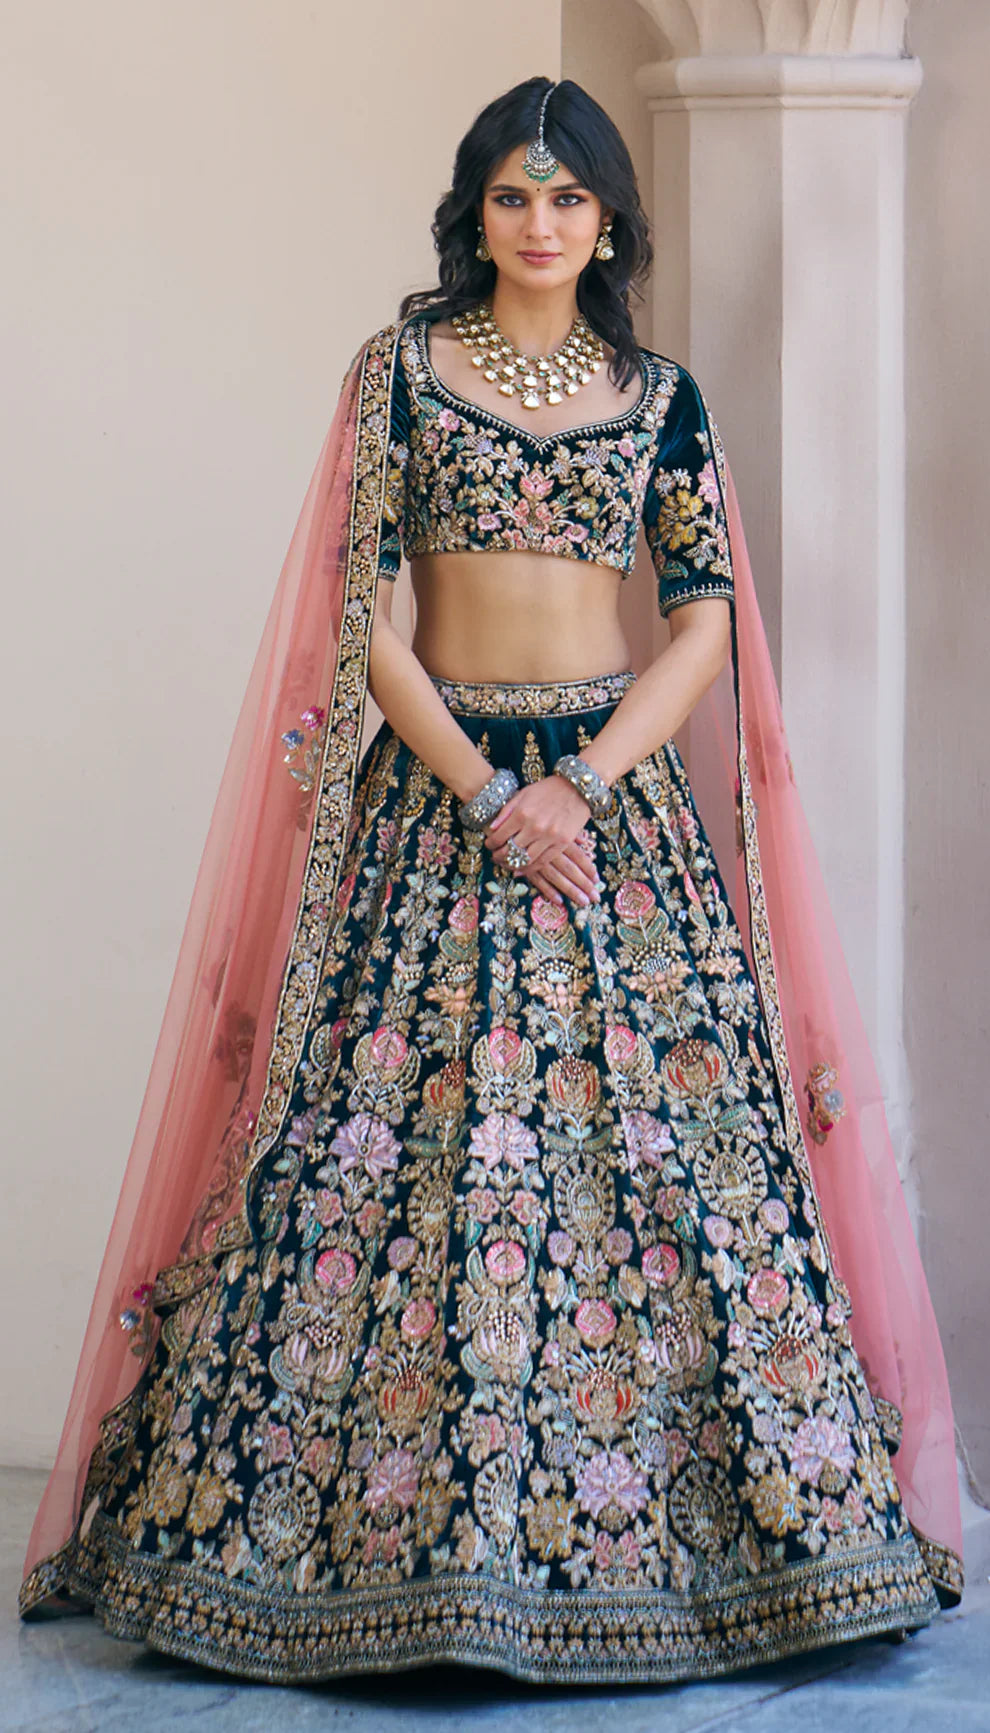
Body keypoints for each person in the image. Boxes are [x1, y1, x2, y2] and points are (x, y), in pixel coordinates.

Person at [19, 75, 963, 1686]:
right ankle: (382, 1558)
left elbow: (701, 623)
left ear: (607, 220)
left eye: (568, 198)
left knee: (666, 1176)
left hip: (611, 814)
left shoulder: (659, 398)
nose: (540, 223)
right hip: (432, 799)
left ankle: (722, 1555)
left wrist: (578, 787)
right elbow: (365, 619)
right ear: (474, 210)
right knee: (376, 1160)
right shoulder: (397, 373)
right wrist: (484, 788)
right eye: (514, 196)